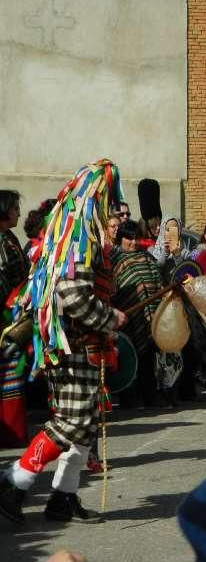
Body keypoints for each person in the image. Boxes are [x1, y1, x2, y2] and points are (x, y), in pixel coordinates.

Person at [0, 159, 127, 525]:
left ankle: (63, 497)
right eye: (109, 197)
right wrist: (109, 318)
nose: (113, 206)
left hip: (85, 343)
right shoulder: (79, 234)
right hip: (73, 344)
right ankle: (14, 483)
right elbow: (71, 294)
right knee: (71, 421)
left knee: (86, 422)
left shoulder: (76, 229)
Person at [111, 220, 164, 409]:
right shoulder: (114, 262)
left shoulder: (148, 259)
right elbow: (113, 292)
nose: (133, 242)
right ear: (120, 239)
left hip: (151, 319)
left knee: (147, 360)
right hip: (127, 319)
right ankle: (129, 401)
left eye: (135, 238)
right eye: (128, 238)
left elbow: (159, 285)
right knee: (128, 360)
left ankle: (150, 398)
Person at [0, 190, 30, 448]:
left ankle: (14, 433)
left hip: (13, 315)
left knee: (13, 374)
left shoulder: (9, 237)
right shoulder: (2, 242)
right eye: (14, 208)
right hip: (5, 319)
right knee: (8, 374)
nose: (18, 212)